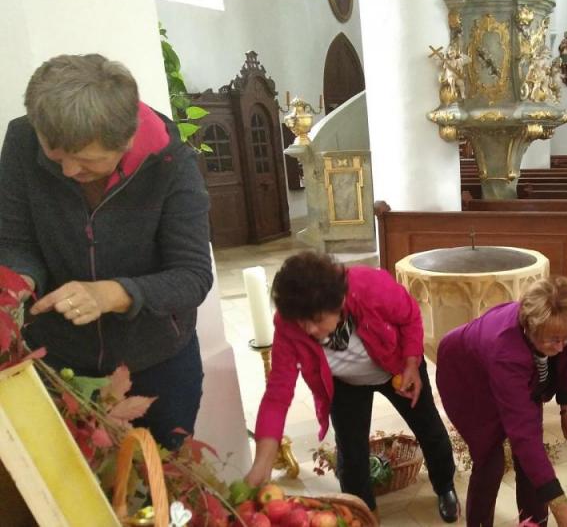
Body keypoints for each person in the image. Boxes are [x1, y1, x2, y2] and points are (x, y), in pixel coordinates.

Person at [0, 54, 212, 451]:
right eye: (55, 154)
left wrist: (111, 294)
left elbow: (193, 276)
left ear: (126, 141)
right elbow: (16, 243)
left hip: (157, 363)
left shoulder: (172, 164)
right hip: (58, 359)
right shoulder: (22, 142)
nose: (66, 171)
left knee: (160, 488)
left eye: (85, 161)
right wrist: (18, 284)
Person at [246, 251, 459, 523]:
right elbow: (277, 394)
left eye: (316, 320)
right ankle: (361, 513)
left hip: (395, 367)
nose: (309, 329)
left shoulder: (370, 287)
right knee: (351, 452)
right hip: (344, 384)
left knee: (429, 429)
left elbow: (410, 316)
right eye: (303, 322)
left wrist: (410, 364)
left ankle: (445, 487)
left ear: (339, 302)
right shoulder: (290, 322)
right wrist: (261, 464)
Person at [437, 276, 567, 527]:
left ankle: (533, 523)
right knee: (490, 461)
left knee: (530, 463)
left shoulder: (559, 327)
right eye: (554, 340)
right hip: (466, 382)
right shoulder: (505, 349)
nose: (562, 347)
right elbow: (523, 435)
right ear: (531, 329)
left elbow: (565, 362)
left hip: (513, 375)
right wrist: (563, 509)